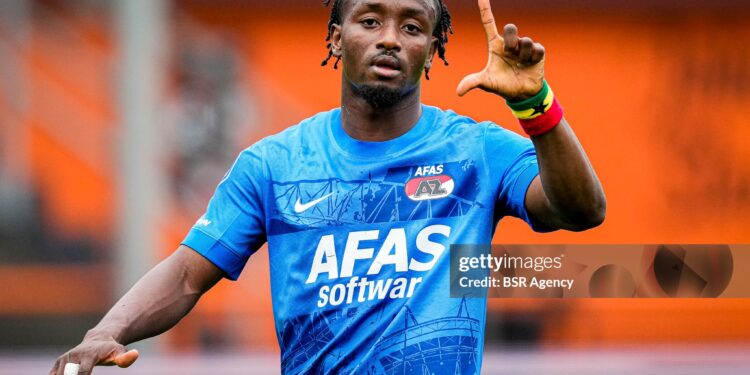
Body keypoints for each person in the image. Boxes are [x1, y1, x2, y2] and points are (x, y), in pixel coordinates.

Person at [50, 0, 605, 373]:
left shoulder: (477, 150)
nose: (390, 39)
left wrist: (536, 105)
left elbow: (582, 210)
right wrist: (107, 328)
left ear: (434, 48)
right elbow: (187, 272)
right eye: (370, 21)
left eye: (412, 27)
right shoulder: (272, 164)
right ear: (338, 38)